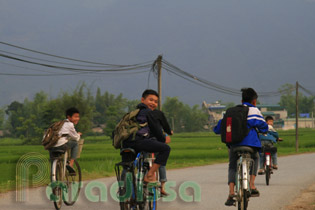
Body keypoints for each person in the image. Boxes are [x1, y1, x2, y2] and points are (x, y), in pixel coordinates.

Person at [213, 88, 268, 206]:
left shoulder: (231, 112)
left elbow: (217, 129)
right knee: (256, 157)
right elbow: (264, 127)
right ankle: (252, 185)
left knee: (232, 165)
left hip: (234, 145)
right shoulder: (254, 110)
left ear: (242, 100)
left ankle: (231, 192)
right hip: (251, 145)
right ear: (254, 101)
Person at [123, 89, 171, 183]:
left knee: (127, 164)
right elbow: (156, 131)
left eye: (156, 101)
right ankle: (149, 175)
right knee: (165, 149)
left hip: (126, 142)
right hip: (139, 142)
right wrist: (163, 139)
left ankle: (123, 189)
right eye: (151, 100)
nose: (153, 103)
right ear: (143, 100)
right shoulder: (149, 113)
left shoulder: (133, 113)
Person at [51, 107, 82, 174]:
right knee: (75, 143)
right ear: (69, 117)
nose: (77, 118)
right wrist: (78, 134)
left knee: (54, 158)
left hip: (52, 145)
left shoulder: (60, 123)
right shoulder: (70, 124)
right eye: (75, 117)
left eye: (78, 117)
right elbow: (75, 137)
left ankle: (53, 176)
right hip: (61, 145)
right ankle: (71, 164)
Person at [150, 109, 173, 196]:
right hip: (155, 145)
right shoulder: (159, 126)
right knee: (161, 163)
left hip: (145, 144)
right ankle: (162, 187)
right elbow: (167, 139)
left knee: (146, 162)